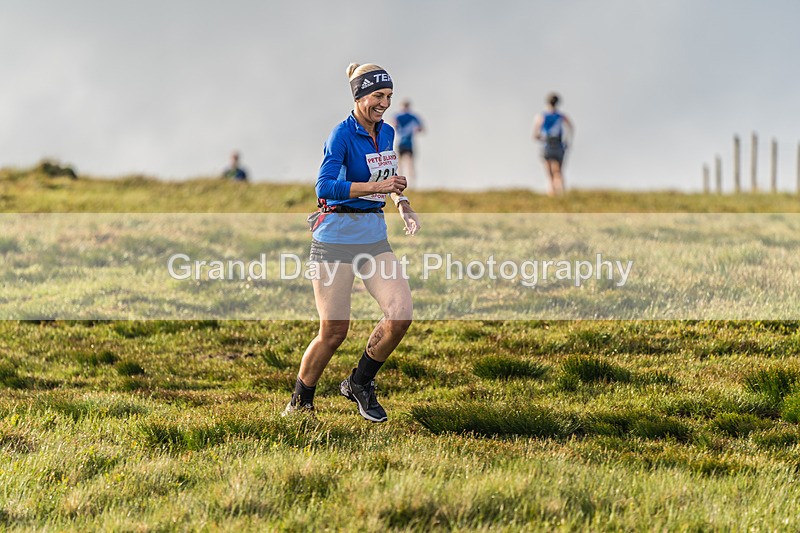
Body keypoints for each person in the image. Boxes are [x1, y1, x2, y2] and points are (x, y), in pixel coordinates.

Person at [282, 62, 421, 423]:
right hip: (334, 242)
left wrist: (402, 204)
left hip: (374, 238)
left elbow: (387, 177)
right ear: (360, 95)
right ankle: (301, 401)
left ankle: (360, 382)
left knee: (401, 314)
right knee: (333, 331)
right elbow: (324, 187)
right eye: (378, 96)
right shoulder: (340, 135)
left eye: (388, 96)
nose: (384, 103)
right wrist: (376, 188)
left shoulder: (387, 132)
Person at [532, 93, 574, 196]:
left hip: (547, 145)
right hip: (559, 145)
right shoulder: (561, 116)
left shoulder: (542, 116)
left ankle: (552, 193)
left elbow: (535, 134)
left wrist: (541, 138)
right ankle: (562, 193)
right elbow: (571, 127)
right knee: (559, 171)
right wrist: (567, 140)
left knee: (549, 173)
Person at [393, 100, 424, 189]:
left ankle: (411, 184)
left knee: (408, 164)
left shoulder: (406, 116)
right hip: (402, 143)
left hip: (406, 143)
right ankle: (403, 184)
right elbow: (420, 128)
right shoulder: (410, 117)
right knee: (402, 165)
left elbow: (420, 128)